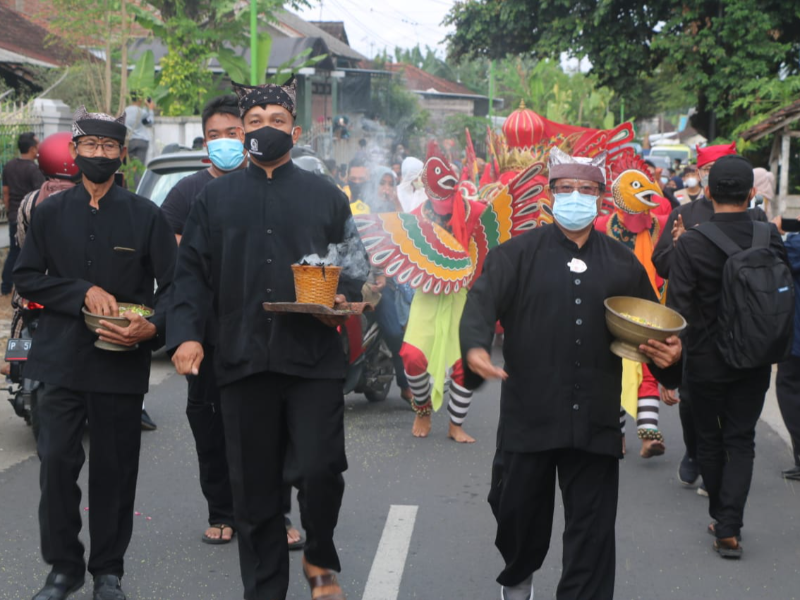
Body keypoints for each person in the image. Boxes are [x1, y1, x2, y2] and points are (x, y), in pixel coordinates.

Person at [168, 76, 368, 600]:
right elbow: (189, 275)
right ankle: (263, 592)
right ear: (242, 129)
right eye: (253, 122)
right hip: (241, 358)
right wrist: (186, 336)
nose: (264, 129)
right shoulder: (214, 199)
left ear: (295, 130)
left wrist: (341, 300)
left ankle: (320, 556)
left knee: (322, 467)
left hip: (314, 358)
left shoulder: (326, 195)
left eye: (276, 121)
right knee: (253, 490)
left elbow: (353, 266)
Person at [460, 149, 682, 600]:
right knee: (516, 511)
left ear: (602, 198)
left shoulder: (623, 263)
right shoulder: (516, 255)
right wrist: (476, 348)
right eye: (565, 189)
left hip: (596, 417)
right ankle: (518, 575)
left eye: (586, 190)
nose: (575, 198)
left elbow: (653, 326)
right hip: (530, 413)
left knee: (593, 531)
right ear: (550, 195)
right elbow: (481, 304)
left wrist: (671, 357)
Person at [14, 107, 176, 600]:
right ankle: (64, 569)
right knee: (57, 465)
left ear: (122, 154)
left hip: (119, 362)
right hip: (58, 362)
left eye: (110, 148)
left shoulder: (147, 217)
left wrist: (151, 326)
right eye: (91, 147)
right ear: (76, 151)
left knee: (115, 471)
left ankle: (108, 570)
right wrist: (81, 291)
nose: (100, 156)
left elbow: (174, 289)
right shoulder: (48, 214)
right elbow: (26, 277)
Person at [668, 155, 788, 559]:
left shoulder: (692, 243)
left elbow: (678, 311)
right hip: (754, 357)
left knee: (709, 440)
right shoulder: (767, 236)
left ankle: (722, 514)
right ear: (752, 193)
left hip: (705, 359)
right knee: (741, 438)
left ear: (708, 191)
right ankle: (729, 525)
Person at [652, 143, 768, 495]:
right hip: (700, 334)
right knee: (696, 413)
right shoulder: (683, 214)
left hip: (743, 335)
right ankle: (696, 455)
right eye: (711, 167)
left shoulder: (759, 222)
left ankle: (722, 502)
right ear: (703, 176)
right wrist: (680, 246)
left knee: (733, 427)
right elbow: (663, 267)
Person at [161, 94, 246, 547]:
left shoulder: (264, 184)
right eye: (215, 135)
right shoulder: (187, 193)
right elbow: (178, 261)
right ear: (204, 142)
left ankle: (273, 511)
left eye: (233, 133)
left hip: (258, 329)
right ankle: (221, 510)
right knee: (208, 421)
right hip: (205, 331)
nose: (225, 142)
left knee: (270, 424)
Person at [594, 152, 670, 458]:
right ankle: (620, 435)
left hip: (651, 307)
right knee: (614, 368)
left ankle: (647, 435)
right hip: (611, 307)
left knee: (648, 366)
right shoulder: (600, 225)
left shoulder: (662, 223)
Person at [11, 132, 80, 339]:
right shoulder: (85, 199)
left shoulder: (30, 201)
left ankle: (13, 354)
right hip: (74, 284)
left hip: (37, 282)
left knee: (20, 309)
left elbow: (24, 245)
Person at [773, 216, 800, 481]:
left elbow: (780, 258)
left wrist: (778, 231)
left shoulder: (796, 243)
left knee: (789, 388)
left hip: (797, 337)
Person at [1, 131, 45, 295]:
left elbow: (6, 192)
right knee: (29, 255)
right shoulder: (35, 170)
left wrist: (11, 211)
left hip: (13, 216)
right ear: (33, 149)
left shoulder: (9, 166)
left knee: (14, 252)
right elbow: (40, 197)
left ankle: (5, 287)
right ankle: (22, 289)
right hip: (29, 218)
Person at [123, 93, 154, 167]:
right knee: (139, 167)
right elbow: (149, 123)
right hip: (141, 141)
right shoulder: (142, 112)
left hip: (129, 142)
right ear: (140, 99)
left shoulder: (125, 110)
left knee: (128, 166)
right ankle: (138, 179)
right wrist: (150, 109)